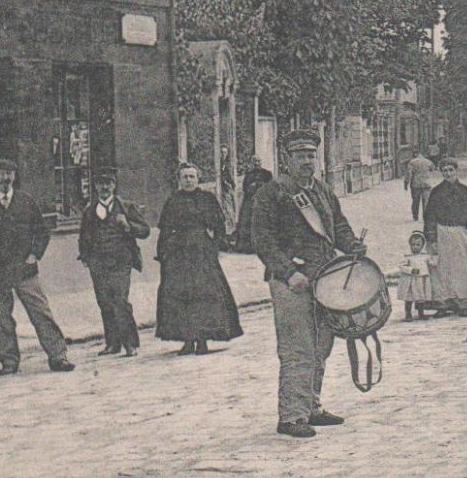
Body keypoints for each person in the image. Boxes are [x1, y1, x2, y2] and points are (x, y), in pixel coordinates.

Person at [252, 129, 367, 438]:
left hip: (324, 279)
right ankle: (291, 416)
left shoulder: (322, 190)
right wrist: (289, 273)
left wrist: (352, 244)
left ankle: (311, 405)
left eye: (310, 155)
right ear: (287, 159)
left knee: (321, 345)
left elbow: (338, 226)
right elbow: (262, 240)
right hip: (292, 282)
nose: (306, 161)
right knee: (297, 349)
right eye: (300, 156)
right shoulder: (272, 192)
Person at [0, 158, 74, 375]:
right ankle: (9, 360)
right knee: (1, 318)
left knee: (41, 313)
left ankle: (58, 356)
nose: (6, 178)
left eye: (10, 173)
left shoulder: (26, 202)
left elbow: (42, 231)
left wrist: (34, 254)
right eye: (1, 173)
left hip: (24, 269)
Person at [155, 162, 242, 355]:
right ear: (179, 180)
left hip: (202, 253)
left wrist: (216, 246)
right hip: (179, 255)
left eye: (192, 177)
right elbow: (165, 230)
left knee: (204, 296)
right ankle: (187, 340)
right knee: (181, 296)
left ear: (198, 179)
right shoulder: (173, 201)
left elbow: (219, 226)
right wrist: (162, 253)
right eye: (184, 177)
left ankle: (202, 340)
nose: (188, 181)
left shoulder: (207, 199)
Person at [77, 168, 150, 358]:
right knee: (105, 303)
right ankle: (112, 343)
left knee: (120, 301)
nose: (104, 187)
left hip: (121, 262)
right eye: (100, 184)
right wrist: (86, 257)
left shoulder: (126, 207)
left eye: (108, 183)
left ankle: (130, 343)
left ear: (114, 185)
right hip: (98, 264)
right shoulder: (89, 211)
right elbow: (83, 236)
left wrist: (128, 225)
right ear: (95, 187)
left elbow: (144, 231)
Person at [423, 157, 467, 315]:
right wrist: (432, 238)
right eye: (444, 171)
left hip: (461, 234)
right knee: (442, 269)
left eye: (451, 170)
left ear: (456, 171)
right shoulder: (436, 192)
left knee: (464, 269)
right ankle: (444, 303)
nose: (448, 173)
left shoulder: (465, 191)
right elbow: (430, 216)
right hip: (442, 233)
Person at [233, 156, 274, 254]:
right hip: (250, 201)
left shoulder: (267, 174)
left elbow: (271, 187)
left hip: (263, 201)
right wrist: (250, 188)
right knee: (246, 221)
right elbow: (244, 187)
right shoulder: (249, 174)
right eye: (255, 162)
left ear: (261, 162)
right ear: (252, 163)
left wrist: (257, 184)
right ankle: (246, 246)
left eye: (258, 161)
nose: (257, 163)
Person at [398, 231, 439, 322]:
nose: (415, 247)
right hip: (411, 281)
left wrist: (436, 257)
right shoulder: (408, 256)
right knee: (409, 298)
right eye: (413, 244)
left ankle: (421, 313)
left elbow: (432, 263)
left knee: (421, 297)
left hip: (422, 279)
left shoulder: (425, 256)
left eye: (418, 244)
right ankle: (408, 313)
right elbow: (402, 266)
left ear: (422, 245)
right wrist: (411, 269)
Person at [405, 150, 436, 222]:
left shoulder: (412, 162)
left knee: (415, 201)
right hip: (427, 183)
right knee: (426, 201)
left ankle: (415, 216)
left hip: (416, 184)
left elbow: (409, 174)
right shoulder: (428, 161)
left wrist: (406, 183)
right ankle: (426, 216)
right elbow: (432, 169)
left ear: (415, 154)